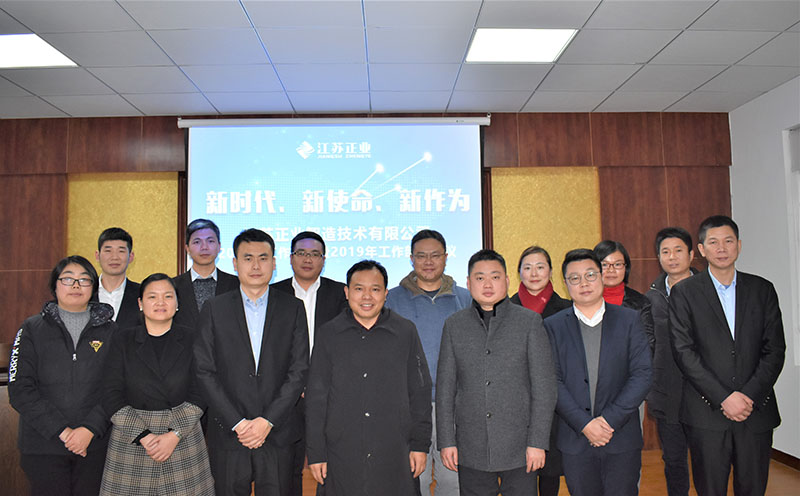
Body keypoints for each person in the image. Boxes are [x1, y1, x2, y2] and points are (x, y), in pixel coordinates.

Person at [669, 215, 785, 496]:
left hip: (755, 411)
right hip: (706, 414)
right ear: (702, 249)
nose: (721, 248)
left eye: (728, 241)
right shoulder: (684, 293)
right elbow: (684, 352)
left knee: (753, 488)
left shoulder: (762, 290)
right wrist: (723, 397)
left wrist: (748, 396)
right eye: (713, 242)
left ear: (739, 245)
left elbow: (774, 350)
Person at [194, 228, 309, 496]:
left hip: (277, 431)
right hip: (229, 432)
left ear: (274, 263)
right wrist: (238, 423)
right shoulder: (214, 308)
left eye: (263, 258)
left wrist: (267, 421)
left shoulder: (292, 308)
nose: (256, 266)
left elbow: (299, 369)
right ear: (235, 264)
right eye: (248, 258)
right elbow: (204, 370)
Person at [305, 260, 432, 496]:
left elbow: (420, 392)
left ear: (385, 293)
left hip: (394, 452)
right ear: (347, 292)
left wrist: (420, 445)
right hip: (341, 454)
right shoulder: (329, 334)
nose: (367, 296)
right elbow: (316, 398)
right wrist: (316, 453)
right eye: (358, 288)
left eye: (375, 289)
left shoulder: (405, 331)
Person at [436, 249, 557, 496]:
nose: (488, 284)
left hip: (520, 447)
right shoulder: (454, 325)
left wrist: (537, 442)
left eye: (495, 277)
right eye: (480, 278)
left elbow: (544, 388)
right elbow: (446, 389)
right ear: (468, 283)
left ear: (507, 281)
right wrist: (447, 441)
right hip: (471, 447)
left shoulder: (529, 322)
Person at [544, 249, 652, 496]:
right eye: (575, 278)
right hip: (575, 438)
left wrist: (608, 421)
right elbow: (552, 381)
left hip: (620, 436)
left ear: (602, 277)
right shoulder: (552, 326)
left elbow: (642, 374)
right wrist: (584, 424)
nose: (583, 283)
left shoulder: (629, 320)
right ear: (565, 284)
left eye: (590, 275)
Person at [9, 255, 115, 496]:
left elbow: (116, 387)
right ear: (54, 286)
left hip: (95, 445)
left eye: (84, 279)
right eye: (68, 279)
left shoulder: (111, 331)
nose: (76, 285)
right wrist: (64, 432)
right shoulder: (30, 329)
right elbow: (20, 389)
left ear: (93, 287)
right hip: (43, 446)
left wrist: (89, 429)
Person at [100, 273, 213, 495]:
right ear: (140, 303)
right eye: (152, 296)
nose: (161, 302)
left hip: (182, 437)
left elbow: (201, 391)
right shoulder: (122, 339)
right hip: (132, 440)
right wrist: (144, 436)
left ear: (177, 304)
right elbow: (110, 393)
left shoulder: (194, 338)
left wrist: (174, 434)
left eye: (168, 296)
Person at [385, 229, 470, 496]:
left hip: (455, 406)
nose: (428, 261)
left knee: (453, 482)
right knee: (412, 481)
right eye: (421, 256)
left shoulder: (466, 299)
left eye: (435, 255)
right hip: (407, 406)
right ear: (411, 259)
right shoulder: (391, 300)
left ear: (446, 257)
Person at [271, 231, 347, 496]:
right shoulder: (274, 293)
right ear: (290, 258)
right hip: (285, 396)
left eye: (315, 254)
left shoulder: (340, 293)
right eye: (301, 253)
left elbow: (345, 346)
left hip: (329, 394)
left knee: (331, 465)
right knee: (287, 466)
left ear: (323, 260)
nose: (307, 259)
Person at [509, 245, 570, 496]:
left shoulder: (567, 309)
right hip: (515, 402)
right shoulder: (505, 308)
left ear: (551, 271)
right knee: (517, 473)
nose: (534, 273)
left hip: (555, 401)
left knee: (550, 471)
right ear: (519, 273)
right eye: (527, 267)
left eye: (540, 267)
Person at [645, 227, 697, 496]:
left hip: (705, 394)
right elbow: (648, 345)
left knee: (709, 459)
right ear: (659, 257)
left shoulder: (709, 292)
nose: (672, 257)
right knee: (674, 460)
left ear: (692, 254)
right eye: (665, 252)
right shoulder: (651, 297)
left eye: (678, 250)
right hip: (668, 394)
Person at [173, 218, 239, 329]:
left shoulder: (236, 284)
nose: (204, 247)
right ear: (187, 248)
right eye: (197, 242)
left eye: (210, 241)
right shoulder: (173, 286)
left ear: (219, 246)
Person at [593, 240, 654, 341]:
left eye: (617, 264)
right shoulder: (583, 301)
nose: (611, 270)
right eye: (604, 265)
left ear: (626, 268)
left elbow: (647, 343)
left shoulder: (641, 303)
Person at [95, 227, 140, 330]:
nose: (114, 257)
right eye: (108, 251)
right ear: (97, 255)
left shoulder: (142, 294)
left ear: (131, 256)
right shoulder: (85, 292)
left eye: (121, 251)